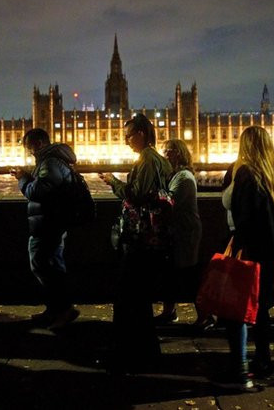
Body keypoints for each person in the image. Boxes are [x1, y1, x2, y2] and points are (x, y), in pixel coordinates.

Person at [99, 113, 173, 372]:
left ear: (142, 133)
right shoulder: (155, 160)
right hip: (149, 238)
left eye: (129, 135)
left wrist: (113, 182)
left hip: (142, 238)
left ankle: (129, 352)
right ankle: (144, 352)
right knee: (138, 299)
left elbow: (137, 195)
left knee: (128, 297)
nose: (126, 140)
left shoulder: (148, 161)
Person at [216, 126, 274, 390]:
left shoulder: (245, 173)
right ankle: (263, 363)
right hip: (268, 252)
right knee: (260, 313)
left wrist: (237, 246)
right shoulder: (268, 174)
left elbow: (244, 218)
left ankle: (240, 370)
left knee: (237, 313)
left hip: (249, 252)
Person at [12, 128, 81, 330]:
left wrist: (23, 178)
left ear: (39, 143)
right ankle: (54, 310)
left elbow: (40, 191)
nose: (30, 153)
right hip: (53, 222)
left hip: (49, 224)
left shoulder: (49, 162)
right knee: (51, 265)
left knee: (44, 266)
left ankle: (65, 309)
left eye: (30, 148)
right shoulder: (54, 160)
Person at [155, 138, 202, 324]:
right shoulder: (174, 175)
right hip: (175, 232)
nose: (163, 155)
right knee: (170, 273)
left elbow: (169, 202)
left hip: (186, 233)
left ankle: (205, 315)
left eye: (167, 151)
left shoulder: (184, 177)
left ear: (178, 153)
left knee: (189, 275)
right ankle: (169, 311)